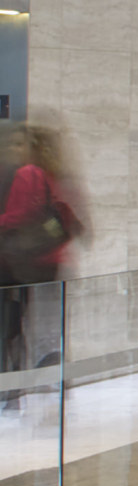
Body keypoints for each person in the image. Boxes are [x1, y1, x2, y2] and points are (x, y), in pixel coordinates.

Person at [0, 120, 82, 400]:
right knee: (39, 324)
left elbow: (18, 215)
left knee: (19, 325)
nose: (13, 149)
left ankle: (19, 388)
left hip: (29, 263)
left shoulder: (28, 172)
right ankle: (47, 382)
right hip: (50, 259)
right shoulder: (51, 172)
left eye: (18, 144)